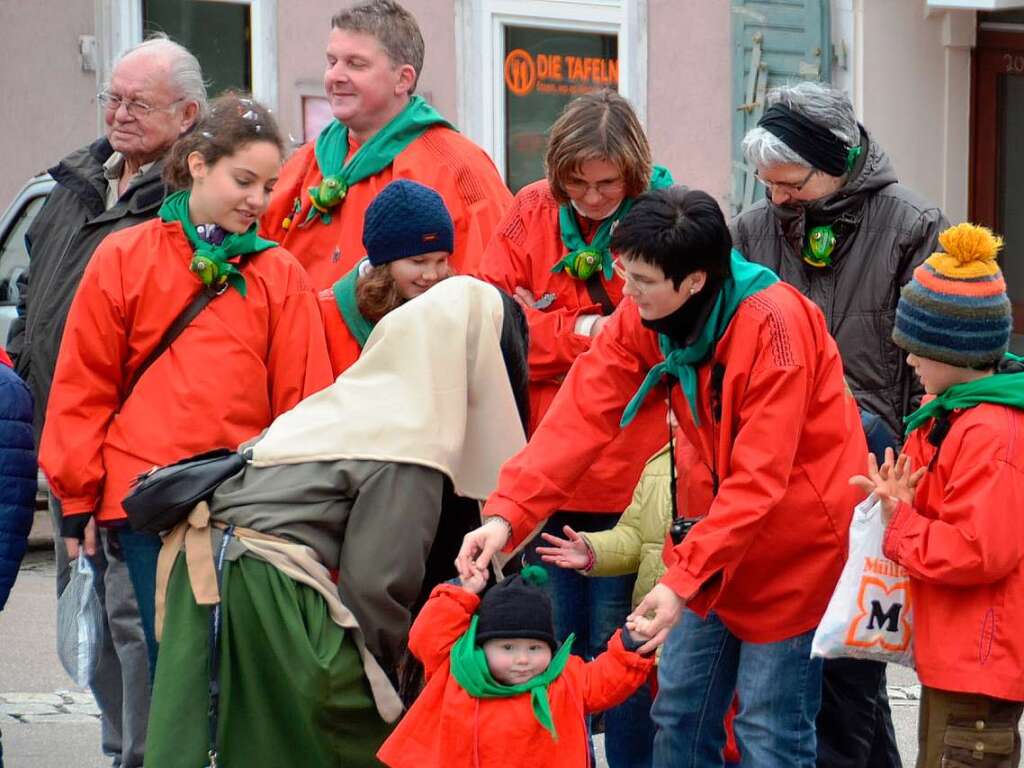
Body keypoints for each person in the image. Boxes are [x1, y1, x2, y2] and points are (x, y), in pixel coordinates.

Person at [457, 187, 867, 767]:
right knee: (677, 709)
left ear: (695, 280)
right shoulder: (647, 312)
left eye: (640, 280)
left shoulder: (775, 329)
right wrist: (506, 516)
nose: (626, 292)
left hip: (793, 547)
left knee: (767, 729)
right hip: (707, 534)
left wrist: (678, 583)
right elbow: (580, 415)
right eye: (624, 275)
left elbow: (760, 483)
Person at [38, 93, 333, 757]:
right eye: (244, 181)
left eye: (269, 184)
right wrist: (79, 501)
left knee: (239, 674)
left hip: (242, 506)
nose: (258, 200)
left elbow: (303, 401)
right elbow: (84, 385)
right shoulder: (125, 256)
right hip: (142, 505)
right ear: (197, 165)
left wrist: (302, 509)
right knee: (160, 674)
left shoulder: (277, 274)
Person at [143, 276, 530, 767]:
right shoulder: (411, 436)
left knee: (229, 742)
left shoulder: (358, 396)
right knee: (366, 736)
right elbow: (375, 586)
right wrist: (389, 669)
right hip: (261, 581)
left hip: (209, 570)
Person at [732, 82, 947, 767]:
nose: (776, 199)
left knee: (853, 663)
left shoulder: (912, 224)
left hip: (873, 470)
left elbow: (932, 365)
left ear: (839, 161)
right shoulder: (749, 232)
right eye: (765, 184)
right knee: (806, 663)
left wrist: (913, 469)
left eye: (790, 182)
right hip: (776, 470)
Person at [6, 34, 205, 768]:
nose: (118, 114)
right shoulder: (78, 180)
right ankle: (118, 742)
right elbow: (33, 284)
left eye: (137, 103)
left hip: (135, 449)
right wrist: (27, 346)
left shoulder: (186, 205)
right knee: (84, 607)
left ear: (187, 114)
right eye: (112, 99)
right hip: (63, 438)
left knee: (131, 617)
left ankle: (144, 754)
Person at [476, 89, 671, 767]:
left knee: (619, 653)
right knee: (551, 651)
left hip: (630, 481)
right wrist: (584, 327)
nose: (590, 197)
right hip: (551, 476)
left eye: (606, 183)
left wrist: (554, 327)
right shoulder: (529, 209)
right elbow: (498, 325)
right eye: (576, 183)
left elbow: (652, 339)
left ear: (634, 173)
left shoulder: (665, 222)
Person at [851, 223, 1024, 767]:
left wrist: (900, 519)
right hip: (961, 657)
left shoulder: (988, 431)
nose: (908, 361)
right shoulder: (956, 418)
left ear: (955, 351)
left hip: (981, 662)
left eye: (916, 349)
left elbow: (980, 550)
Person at [261, 0, 511, 288]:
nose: (335, 76)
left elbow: (487, 292)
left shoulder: (460, 168)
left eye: (356, 64)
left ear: (403, 79)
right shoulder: (304, 163)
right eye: (332, 61)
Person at [376, 565, 656, 767]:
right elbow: (427, 635)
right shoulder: (458, 669)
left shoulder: (565, 678)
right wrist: (460, 593)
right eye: (507, 648)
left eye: (535, 648)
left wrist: (630, 644)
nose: (522, 659)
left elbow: (606, 680)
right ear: (482, 646)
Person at [320, 178, 453, 377]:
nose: (432, 275)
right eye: (418, 261)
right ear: (383, 262)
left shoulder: (455, 311)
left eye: (441, 260)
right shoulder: (325, 317)